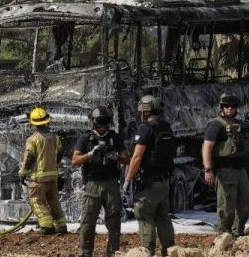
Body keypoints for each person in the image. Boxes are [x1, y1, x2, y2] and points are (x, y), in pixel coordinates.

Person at [123, 95, 176, 257]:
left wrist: (127, 180)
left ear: (146, 111)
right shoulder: (166, 127)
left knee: (145, 218)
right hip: (164, 181)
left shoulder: (145, 129)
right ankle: (170, 250)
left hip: (148, 184)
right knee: (163, 218)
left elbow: (137, 157)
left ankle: (148, 251)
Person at [200, 92, 249, 237]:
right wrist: (208, 170)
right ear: (222, 108)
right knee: (226, 207)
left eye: (233, 106)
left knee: (244, 205)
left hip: (241, 169)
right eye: (227, 106)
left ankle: (238, 233)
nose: (230, 109)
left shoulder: (241, 125)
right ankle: (224, 234)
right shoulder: (216, 126)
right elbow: (207, 148)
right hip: (225, 170)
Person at [71, 106, 124, 257]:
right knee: (88, 221)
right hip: (92, 184)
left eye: (105, 122)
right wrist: (89, 154)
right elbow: (74, 160)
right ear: (93, 123)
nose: (102, 127)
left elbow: (127, 158)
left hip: (111, 182)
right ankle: (86, 252)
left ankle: (113, 252)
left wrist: (116, 156)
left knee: (114, 220)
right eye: (99, 123)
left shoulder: (114, 137)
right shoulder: (85, 138)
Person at [18, 106, 66, 234]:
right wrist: (54, 164)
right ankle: (61, 225)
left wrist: (23, 174)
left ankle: (46, 226)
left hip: (39, 179)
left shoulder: (33, 139)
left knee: (36, 200)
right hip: (53, 177)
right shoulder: (55, 138)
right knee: (54, 201)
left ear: (33, 124)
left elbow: (29, 158)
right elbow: (60, 153)